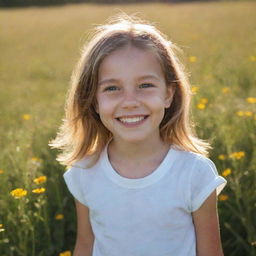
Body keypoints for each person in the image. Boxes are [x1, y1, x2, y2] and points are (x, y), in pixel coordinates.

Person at [49, 13, 227, 256]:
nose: (130, 102)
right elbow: (85, 245)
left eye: (145, 85)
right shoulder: (84, 172)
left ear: (168, 94)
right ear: (93, 101)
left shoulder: (194, 174)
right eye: (112, 88)